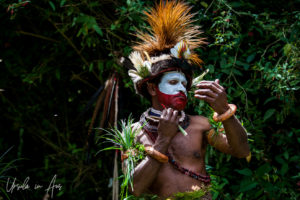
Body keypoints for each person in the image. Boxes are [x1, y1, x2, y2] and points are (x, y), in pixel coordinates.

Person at [122, 1, 250, 199]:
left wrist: (225, 112)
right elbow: (134, 188)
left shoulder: (200, 125)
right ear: (152, 88)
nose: (181, 88)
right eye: (173, 82)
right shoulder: (134, 133)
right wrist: (163, 139)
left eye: (184, 84)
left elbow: (241, 151)